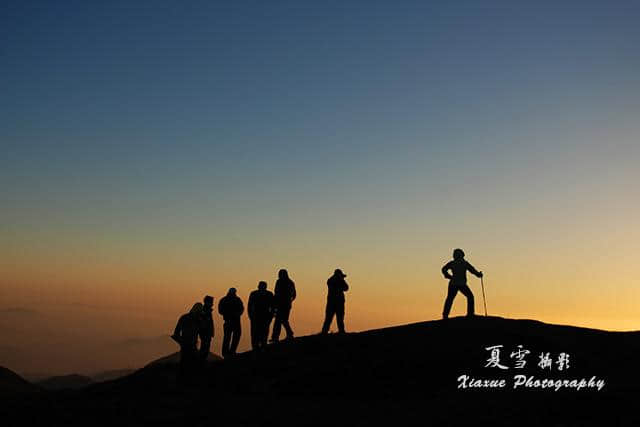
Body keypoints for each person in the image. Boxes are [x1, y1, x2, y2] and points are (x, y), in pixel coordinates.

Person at [441, 248, 483, 319]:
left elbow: (443, 269)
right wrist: (479, 274)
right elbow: (472, 270)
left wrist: (447, 275)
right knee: (470, 296)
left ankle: (445, 315)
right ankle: (470, 314)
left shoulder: (453, 263)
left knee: (450, 299)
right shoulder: (464, 263)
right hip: (461, 284)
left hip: (454, 283)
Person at [172, 302, 203, 380]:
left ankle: (182, 379)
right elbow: (201, 332)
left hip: (186, 343)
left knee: (185, 362)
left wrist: (180, 341)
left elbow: (176, 333)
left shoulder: (184, 317)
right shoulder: (198, 320)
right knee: (190, 362)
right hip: (190, 344)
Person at [248, 281, 274, 351]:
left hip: (259, 316)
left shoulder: (254, 294)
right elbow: (273, 307)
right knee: (262, 332)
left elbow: (249, 306)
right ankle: (261, 347)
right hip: (261, 316)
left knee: (257, 333)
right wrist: (271, 316)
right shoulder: (269, 294)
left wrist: (250, 316)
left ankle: (257, 348)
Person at [271, 269, 296, 342]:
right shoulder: (291, 282)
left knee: (280, 320)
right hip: (286, 304)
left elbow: (276, 293)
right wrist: (290, 301)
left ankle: (277, 336)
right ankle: (286, 334)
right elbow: (294, 295)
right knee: (282, 320)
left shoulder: (279, 282)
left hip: (282, 304)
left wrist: (275, 304)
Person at [321, 268, 349, 334]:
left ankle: (325, 332)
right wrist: (341, 280)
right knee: (332, 318)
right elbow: (345, 288)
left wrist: (341, 280)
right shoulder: (332, 281)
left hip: (334, 303)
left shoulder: (331, 280)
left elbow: (346, 288)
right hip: (335, 303)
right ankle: (325, 332)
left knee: (336, 318)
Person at [218, 288, 244, 358]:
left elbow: (220, 310)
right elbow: (242, 309)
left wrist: (227, 314)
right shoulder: (237, 300)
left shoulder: (224, 300)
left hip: (231, 321)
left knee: (228, 337)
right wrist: (236, 314)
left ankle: (228, 352)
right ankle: (229, 352)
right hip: (233, 321)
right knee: (231, 337)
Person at [199, 295, 214, 362]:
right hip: (205, 332)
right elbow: (206, 322)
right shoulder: (205, 311)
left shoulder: (207, 310)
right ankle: (202, 361)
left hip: (206, 332)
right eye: (211, 302)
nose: (212, 304)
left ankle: (202, 361)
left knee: (205, 347)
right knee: (205, 347)